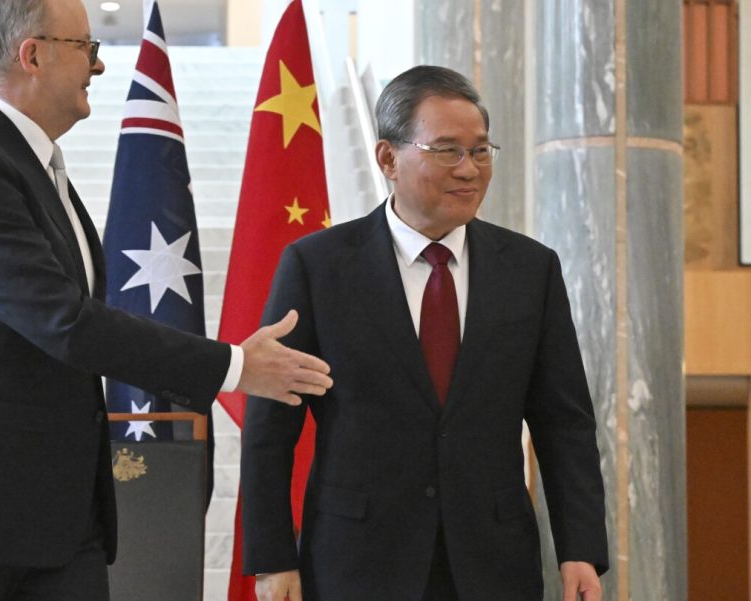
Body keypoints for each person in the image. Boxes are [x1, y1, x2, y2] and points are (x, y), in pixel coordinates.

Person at [0, 0, 333, 599]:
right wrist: (234, 365)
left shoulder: (33, 166)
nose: (99, 66)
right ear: (31, 54)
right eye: (86, 47)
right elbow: (65, 324)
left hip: (54, 524)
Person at [241, 65, 608, 601]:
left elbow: (564, 422)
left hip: (493, 562)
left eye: (481, 151)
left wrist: (581, 548)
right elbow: (271, 426)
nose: (470, 169)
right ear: (388, 158)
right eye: (446, 150)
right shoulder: (318, 267)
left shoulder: (531, 270)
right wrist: (272, 559)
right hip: (357, 561)